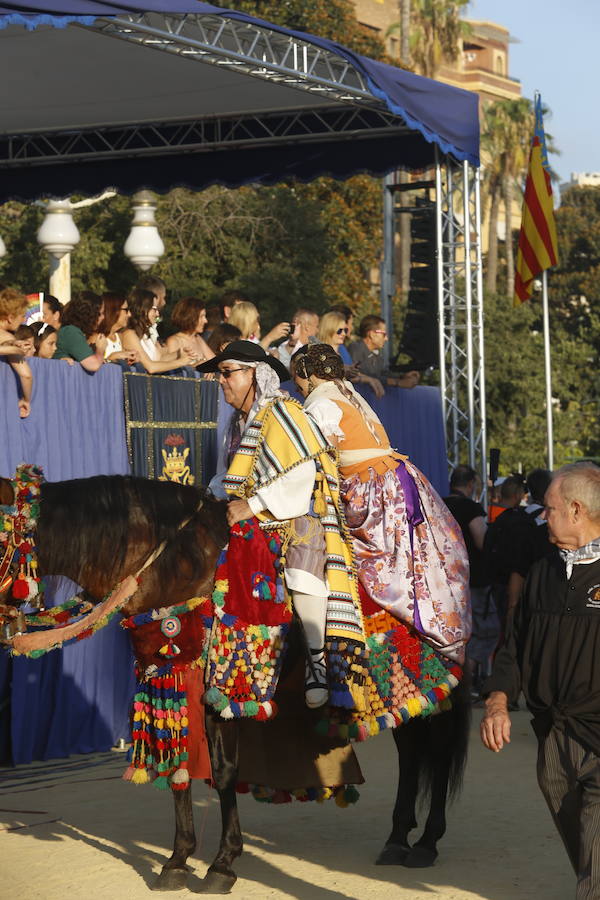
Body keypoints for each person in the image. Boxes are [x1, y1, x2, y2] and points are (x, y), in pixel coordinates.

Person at [198, 340, 363, 709]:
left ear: (255, 374)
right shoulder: (236, 424)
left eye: (227, 373)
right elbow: (228, 479)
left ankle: (318, 662)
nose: (221, 381)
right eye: (219, 374)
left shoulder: (281, 411)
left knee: (302, 561)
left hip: (297, 512)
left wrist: (252, 505)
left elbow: (301, 475)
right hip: (256, 515)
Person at [292, 343, 470, 664]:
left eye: (298, 378)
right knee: (415, 560)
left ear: (308, 374)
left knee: (383, 567)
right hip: (398, 477)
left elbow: (316, 460)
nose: (297, 387)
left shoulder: (318, 403)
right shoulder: (344, 390)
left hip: (372, 488)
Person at [481, 462, 600, 900]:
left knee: (596, 868)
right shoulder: (542, 572)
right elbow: (514, 647)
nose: (540, 514)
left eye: (547, 508)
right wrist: (497, 699)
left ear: (575, 510)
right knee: (587, 853)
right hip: (554, 737)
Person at [444, 465, 496, 696]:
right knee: (484, 630)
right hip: (471, 581)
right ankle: (470, 678)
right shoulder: (470, 508)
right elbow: (482, 540)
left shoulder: (438, 503)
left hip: (442, 582)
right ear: (471, 484)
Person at [121, 289, 196, 374]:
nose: (157, 314)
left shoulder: (145, 335)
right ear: (143, 309)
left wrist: (178, 354)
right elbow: (151, 367)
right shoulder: (129, 335)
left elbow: (159, 359)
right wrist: (181, 362)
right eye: (154, 309)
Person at [318, 310, 384, 398]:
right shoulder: (319, 351)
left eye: (345, 330)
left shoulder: (343, 350)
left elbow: (351, 375)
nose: (344, 334)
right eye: (339, 331)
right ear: (329, 329)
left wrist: (370, 379)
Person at [349, 314, 421, 392]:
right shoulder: (355, 348)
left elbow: (382, 374)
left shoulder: (377, 357)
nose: (386, 339)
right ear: (372, 334)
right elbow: (361, 375)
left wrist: (403, 376)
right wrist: (398, 382)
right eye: (384, 334)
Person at [53, 291, 106, 373]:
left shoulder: (74, 331)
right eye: (100, 314)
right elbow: (93, 365)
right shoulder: (71, 332)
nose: (103, 317)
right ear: (90, 314)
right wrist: (100, 350)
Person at [0, 287, 33, 417]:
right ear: (10, 317)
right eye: (22, 316)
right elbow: (26, 375)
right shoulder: (6, 336)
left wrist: (13, 345)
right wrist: (26, 400)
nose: (24, 320)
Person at [164, 296, 214, 364]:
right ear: (190, 317)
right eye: (201, 316)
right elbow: (171, 368)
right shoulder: (174, 341)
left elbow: (214, 362)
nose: (206, 321)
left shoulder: (197, 338)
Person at [98, 292, 140, 364]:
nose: (129, 315)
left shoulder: (120, 337)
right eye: (126, 310)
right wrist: (112, 358)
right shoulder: (97, 337)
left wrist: (131, 359)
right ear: (113, 311)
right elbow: (94, 366)